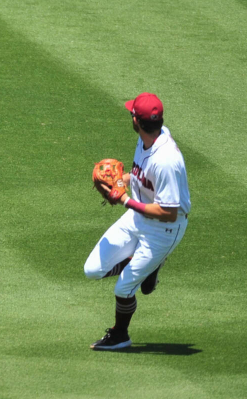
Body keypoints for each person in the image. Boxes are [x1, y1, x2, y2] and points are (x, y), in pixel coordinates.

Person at [83, 92, 191, 350]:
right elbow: (139, 176)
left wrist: (124, 200)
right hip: (137, 216)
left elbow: (169, 212)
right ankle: (147, 267)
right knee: (93, 270)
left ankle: (120, 334)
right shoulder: (149, 136)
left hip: (164, 229)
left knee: (123, 288)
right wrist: (118, 185)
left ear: (137, 121)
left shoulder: (166, 161)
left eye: (132, 114)